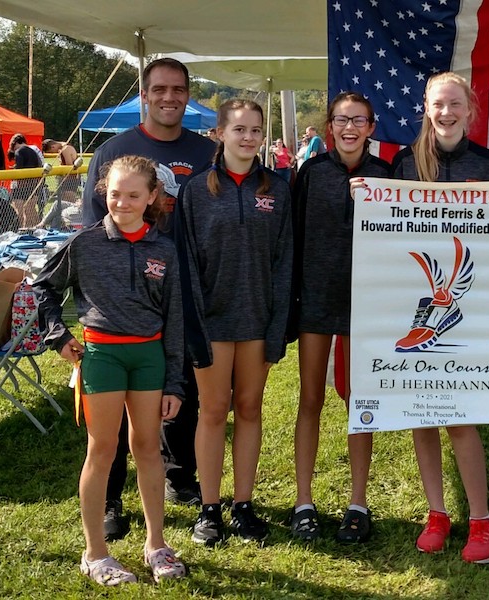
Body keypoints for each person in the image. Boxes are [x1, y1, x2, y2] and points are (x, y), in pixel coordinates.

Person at [33, 155, 188, 586]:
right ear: (105, 192)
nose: (122, 202)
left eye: (134, 195)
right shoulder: (85, 243)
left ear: (152, 197)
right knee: (102, 450)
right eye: (115, 193)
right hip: (101, 357)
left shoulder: (164, 249)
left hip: (150, 358)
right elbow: (42, 285)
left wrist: (174, 379)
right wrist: (58, 335)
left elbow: (175, 319)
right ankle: (95, 552)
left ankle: (156, 545)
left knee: (149, 450)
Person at [81, 57, 216, 541]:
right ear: (144, 94)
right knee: (113, 413)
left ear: (187, 93)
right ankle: (114, 497)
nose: (169, 97)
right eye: (159, 88)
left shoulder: (206, 152)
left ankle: (179, 475)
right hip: (125, 301)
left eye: (178, 89)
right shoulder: (115, 150)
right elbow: (96, 228)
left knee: (181, 388)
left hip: (187, 285)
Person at [389, 71, 489, 564]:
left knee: (461, 419)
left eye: (455, 104)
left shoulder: (487, 163)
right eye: (438, 104)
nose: (446, 113)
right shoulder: (401, 162)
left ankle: (480, 518)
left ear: (469, 109)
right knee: (421, 416)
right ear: (426, 108)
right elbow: (386, 234)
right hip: (412, 298)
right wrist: (365, 199)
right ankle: (437, 512)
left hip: (469, 304)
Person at [179, 99, 293, 546]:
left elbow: (285, 262)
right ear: (220, 134)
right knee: (211, 411)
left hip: (258, 320)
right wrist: (193, 326)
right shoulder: (195, 191)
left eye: (256, 130)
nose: (248, 137)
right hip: (212, 323)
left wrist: (278, 324)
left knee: (249, 409)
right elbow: (185, 265)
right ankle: (209, 509)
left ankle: (242, 504)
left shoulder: (277, 189)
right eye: (239, 129)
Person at [290, 92, 390, 545]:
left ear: (371, 127)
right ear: (329, 126)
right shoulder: (311, 172)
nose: (349, 127)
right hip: (315, 302)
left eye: (359, 120)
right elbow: (293, 237)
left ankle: (357, 503)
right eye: (341, 120)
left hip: (365, 308)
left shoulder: (387, 176)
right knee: (310, 399)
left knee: (358, 404)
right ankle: (304, 502)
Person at [8, 132, 44, 228]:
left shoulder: (19, 151)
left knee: (19, 211)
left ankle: (21, 229)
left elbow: (19, 168)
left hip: (21, 186)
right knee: (30, 210)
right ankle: (37, 228)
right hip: (34, 185)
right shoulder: (33, 151)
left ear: (16, 143)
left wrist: (13, 169)